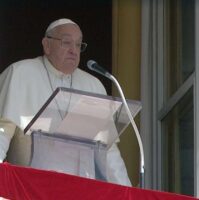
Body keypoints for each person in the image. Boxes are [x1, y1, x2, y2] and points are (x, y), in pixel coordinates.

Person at [0, 18, 131, 186]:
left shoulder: (93, 85)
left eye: (78, 45)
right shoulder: (20, 73)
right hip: (30, 188)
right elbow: (2, 131)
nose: (73, 50)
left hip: (81, 190)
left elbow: (107, 150)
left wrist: (127, 191)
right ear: (46, 45)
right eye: (66, 42)